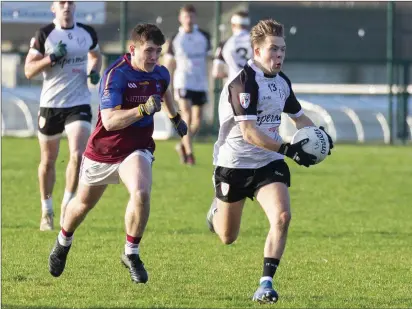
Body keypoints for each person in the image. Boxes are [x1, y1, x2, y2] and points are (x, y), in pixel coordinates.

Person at [47, 23, 188, 284]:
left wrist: (175, 116)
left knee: (141, 191)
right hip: (104, 150)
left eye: (158, 51)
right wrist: (142, 111)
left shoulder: (159, 72)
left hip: (136, 149)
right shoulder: (116, 75)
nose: (154, 57)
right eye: (149, 51)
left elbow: (164, 88)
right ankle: (63, 241)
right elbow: (110, 121)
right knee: (82, 205)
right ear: (133, 49)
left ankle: (131, 252)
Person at [206, 19, 334, 303]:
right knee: (228, 236)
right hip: (234, 164)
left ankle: (265, 284)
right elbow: (250, 133)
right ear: (257, 50)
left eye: (283, 50)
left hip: (268, 163)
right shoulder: (243, 83)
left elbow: (298, 116)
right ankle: (215, 211)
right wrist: (290, 149)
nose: (279, 55)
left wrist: (319, 136)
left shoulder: (282, 82)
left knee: (283, 217)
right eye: (273, 49)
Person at [24, 1, 102, 231]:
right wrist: (51, 58)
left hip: (79, 103)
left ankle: (68, 203)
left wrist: (94, 71)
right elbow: (28, 71)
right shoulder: (45, 34)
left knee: (78, 154)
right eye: (62, 2)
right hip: (51, 105)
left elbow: (95, 56)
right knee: (48, 160)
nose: (67, 6)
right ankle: (46, 210)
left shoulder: (86, 32)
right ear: (54, 8)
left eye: (70, 2)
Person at [164, 4, 211, 165]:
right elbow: (168, 64)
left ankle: (182, 145)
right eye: (185, 17)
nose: (189, 20)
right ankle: (189, 154)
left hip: (200, 83)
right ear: (180, 18)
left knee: (197, 120)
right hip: (182, 81)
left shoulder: (204, 37)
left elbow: (209, 60)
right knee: (187, 115)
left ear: (195, 18)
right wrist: (166, 85)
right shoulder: (175, 39)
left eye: (191, 17)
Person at [212, 11, 253, 81]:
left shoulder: (225, 43)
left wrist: (230, 75)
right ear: (248, 25)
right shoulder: (257, 42)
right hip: (253, 86)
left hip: (233, 87)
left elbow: (216, 72)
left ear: (233, 25)